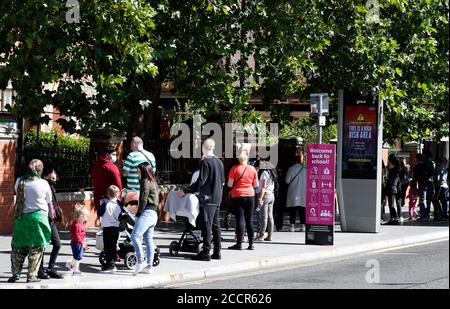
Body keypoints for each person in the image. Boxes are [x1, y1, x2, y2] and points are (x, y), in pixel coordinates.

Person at [179, 139, 225, 260]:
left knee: (206, 225)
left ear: (204, 148)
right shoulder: (220, 162)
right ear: (213, 147)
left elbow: (201, 181)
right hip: (217, 197)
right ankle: (217, 252)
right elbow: (222, 181)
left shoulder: (206, 162)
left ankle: (206, 252)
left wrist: (186, 191)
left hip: (207, 198)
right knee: (216, 225)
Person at [8, 159, 52, 283]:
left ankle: (16, 273)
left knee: (18, 247)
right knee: (36, 248)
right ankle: (31, 275)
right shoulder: (43, 183)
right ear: (40, 170)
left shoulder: (19, 181)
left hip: (21, 218)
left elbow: (17, 194)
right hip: (38, 219)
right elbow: (48, 200)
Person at [227, 151, 259, 250]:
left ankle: (239, 244)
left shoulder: (234, 169)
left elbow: (229, 184)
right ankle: (251, 244)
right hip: (250, 196)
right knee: (249, 220)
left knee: (240, 219)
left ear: (239, 159)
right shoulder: (252, 169)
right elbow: (256, 185)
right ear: (247, 159)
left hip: (237, 195)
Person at [132, 162, 159, 274]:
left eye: (138, 171)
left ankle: (140, 261)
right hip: (153, 214)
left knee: (135, 236)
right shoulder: (153, 181)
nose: (137, 173)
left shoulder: (145, 182)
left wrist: (138, 213)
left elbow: (143, 199)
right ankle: (149, 267)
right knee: (148, 240)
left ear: (143, 171)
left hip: (147, 213)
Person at [37, 169, 64, 280]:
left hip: (51, 220)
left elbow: (53, 205)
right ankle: (40, 270)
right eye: (50, 178)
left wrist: (58, 215)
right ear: (45, 177)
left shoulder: (52, 189)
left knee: (57, 244)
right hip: (43, 219)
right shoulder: (42, 189)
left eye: (54, 178)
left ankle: (51, 268)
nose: (52, 180)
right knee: (42, 245)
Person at [98, 185, 123, 272]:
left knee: (107, 247)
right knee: (113, 246)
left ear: (108, 194)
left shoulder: (105, 203)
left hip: (107, 228)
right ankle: (112, 261)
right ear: (117, 195)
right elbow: (120, 217)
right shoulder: (119, 204)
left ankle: (111, 265)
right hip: (116, 228)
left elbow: (99, 213)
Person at [92, 145, 122, 210]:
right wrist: (119, 198)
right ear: (107, 155)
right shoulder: (112, 167)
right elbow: (118, 184)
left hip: (98, 198)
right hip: (110, 199)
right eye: (113, 154)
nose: (115, 157)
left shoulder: (96, 165)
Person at [285, 153, 307, 232]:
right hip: (303, 192)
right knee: (302, 210)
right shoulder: (305, 170)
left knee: (292, 210)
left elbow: (287, 181)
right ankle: (303, 226)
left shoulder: (291, 169)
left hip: (293, 191)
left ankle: (292, 227)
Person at [255, 161, 277, 241]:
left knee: (264, 217)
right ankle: (270, 235)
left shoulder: (264, 173)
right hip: (271, 195)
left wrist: (260, 198)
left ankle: (261, 235)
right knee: (270, 216)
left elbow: (263, 187)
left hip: (266, 195)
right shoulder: (272, 173)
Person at [67, 203, 90, 275]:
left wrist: (84, 241)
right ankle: (76, 270)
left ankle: (70, 264)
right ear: (80, 216)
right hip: (77, 243)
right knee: (78, 257)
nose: (86, 218)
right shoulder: (76, 225)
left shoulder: (80, 224)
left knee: (77, 256)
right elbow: (76, 236)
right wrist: (82, 242)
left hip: (78, 242)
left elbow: (81, 234)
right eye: (85, 217)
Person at [384, 154, 402, 224]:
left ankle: (393, 218)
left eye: (389, 163)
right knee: (391, 204)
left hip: (392, 189)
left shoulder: (395, 172)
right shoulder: (394, 170)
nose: (388, 164)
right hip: (393, 189)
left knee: (391, 205)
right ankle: (394, 218)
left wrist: (388, 188)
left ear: (393, 164)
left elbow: (392, 182)